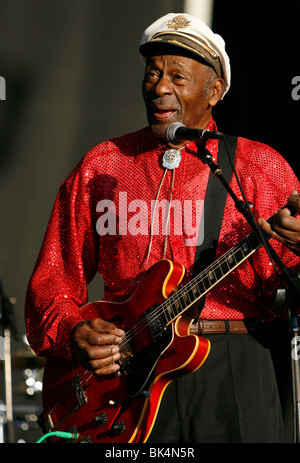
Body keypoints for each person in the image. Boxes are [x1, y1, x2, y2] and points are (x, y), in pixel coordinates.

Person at [25, 13, 300, 443]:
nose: (159, 87)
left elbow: (285, 292)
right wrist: (72, 332)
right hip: (122, 380)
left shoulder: (259, 166)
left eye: (177, 76)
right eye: (152, 73)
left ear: (215, 91)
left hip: (230, 373)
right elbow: (52, 280)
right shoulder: (105, 163)